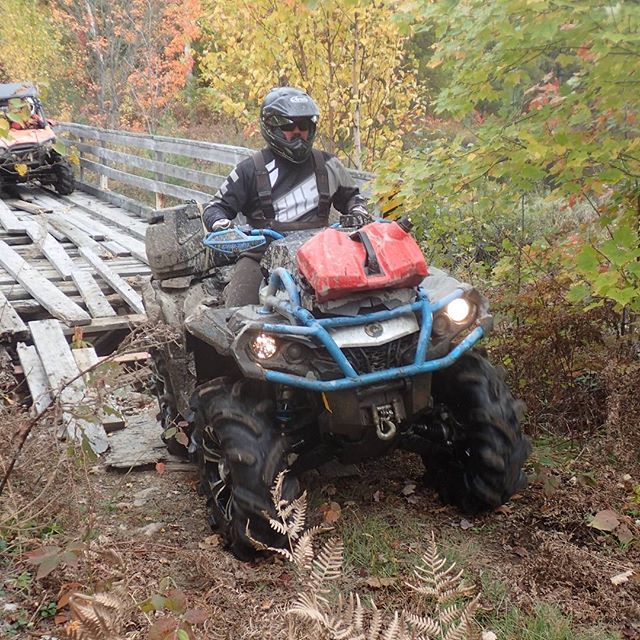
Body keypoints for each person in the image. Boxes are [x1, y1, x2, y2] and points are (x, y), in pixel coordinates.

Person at [202, 86, 369, 306]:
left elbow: (352, 198)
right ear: (272, 127)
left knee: (364, 301)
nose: (298, 132)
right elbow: (215, 207)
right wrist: (221, 224)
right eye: (289, 126)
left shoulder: (329, 165)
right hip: (261, 257)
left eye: (304, 126)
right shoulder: (250, 169)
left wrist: (358, 211)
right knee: (237, 313)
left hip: (323, 255)